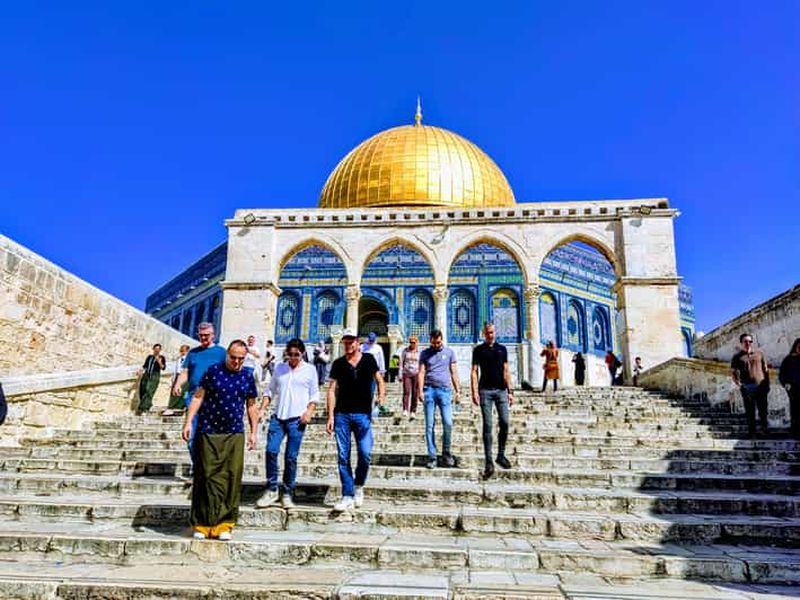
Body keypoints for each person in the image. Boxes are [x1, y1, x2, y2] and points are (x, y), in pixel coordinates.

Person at [181, 340, 259, 541]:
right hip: (208, 430)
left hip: (234, 433)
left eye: (241, 359)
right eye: (233, 357)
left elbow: (251, 405)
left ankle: (224, 524)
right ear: (227, 355)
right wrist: (188, 422)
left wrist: (253, 432)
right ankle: (202, 523)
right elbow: (198, 397)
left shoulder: (247, 376)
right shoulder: (213, 372)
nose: (236, 362)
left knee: (231, 477)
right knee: (205, 475)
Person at [256, 338, 319, 509]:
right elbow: (270, 390)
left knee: (291, 457)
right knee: (271, 450)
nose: (292, 358)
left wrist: (309, 412)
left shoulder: (310, 370)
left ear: (303, 353)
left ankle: (288, 492)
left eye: (296, 355)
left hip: (297, 419)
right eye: (289, 354)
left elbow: (314, 394)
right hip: (278, 418)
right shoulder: (280, 368)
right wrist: (262, 409)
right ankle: (271, 489)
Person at [326, 328, 384, 512]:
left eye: (351, 341)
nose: (348, 344)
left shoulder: (368, 360)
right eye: (346, 341)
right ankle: (347, 494)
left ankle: (359, 485)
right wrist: (330, 415)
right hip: (342, 414)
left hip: (363, 414)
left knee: (365, 454)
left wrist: (381, 397)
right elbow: (331, 390)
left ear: (358, 342)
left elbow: (380, 380)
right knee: (343, 456)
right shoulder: (338, 364)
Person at [173, 323, 227, 459]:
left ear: (213, 335)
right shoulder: (193, 353)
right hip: (193, 397)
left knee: (211, 436)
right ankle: (197, 468)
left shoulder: (221, 353)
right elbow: (186, 371)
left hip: (213, 398)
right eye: (201, 335)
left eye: (207, 335)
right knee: (191, 436)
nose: (204, 338)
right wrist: (178, 384)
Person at [471, 322, 513, 480]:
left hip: (501, 390)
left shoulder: (502, 349)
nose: (491, 335)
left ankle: (501, 455)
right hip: (485, 391)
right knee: (487, 425)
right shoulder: (478, 350)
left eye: (493, 332)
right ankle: (489, 461)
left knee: (505, 422)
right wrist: (474, 391)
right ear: (484, 333)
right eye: (488, 333)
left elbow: (506, 370)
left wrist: (510, 391)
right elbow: (474, 372)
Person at [418, 329, 461, 469]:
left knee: (448, 422)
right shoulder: (425, 353)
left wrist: (458, 391)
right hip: (429, 390)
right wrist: (420, 391)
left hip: (445, 391)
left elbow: (453, 372)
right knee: (429, 425)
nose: (437, 344)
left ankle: (446, 452)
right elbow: (422, 372)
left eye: (439, 342)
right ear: (430, 340)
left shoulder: (449, 353)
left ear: (441, 339)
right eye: (434, 342)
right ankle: (432, 457)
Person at [731, 333, 770, 438]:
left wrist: (767, 384)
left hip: (760, 385)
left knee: (763, 409)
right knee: (750, 411)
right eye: (745, 341)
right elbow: (734, 373)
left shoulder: (759, 353)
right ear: (741, 343)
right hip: (747, 387)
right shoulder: (737, 357)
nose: (748, 343)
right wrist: (739, 385)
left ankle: (764, 430)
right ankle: (752, 432)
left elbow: (765, 370)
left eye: (750, 341)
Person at [137, 344, 167, 414]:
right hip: (147, 374)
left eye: (158, 349)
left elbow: (163, 368)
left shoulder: (162, 357)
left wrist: (159, 361)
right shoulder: (149, 357)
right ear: (153, 349)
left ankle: (143, 408)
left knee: (149, 391)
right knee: (143, 390)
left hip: (155, 375)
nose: (157, 350)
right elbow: (145, 366)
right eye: (155, 349)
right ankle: (148, 405)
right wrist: (140, 371)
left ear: (160, 350)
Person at [779, 338, 800, 439]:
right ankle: (795, 431)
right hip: (793, 389)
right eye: (799, 347)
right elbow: (782, 374)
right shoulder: (788, 359)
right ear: (795, 347)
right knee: (795, 409)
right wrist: (786, 384)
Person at [163, 344, 190, 416]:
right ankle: (171, 407)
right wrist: (174, 377)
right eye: (181, 351)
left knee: (183, 392)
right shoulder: (179, 359)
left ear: (187, 351)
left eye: (184, 351)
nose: (182, 352)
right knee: (174, 392)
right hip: (177, 375)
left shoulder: (190, 359)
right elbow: (176, 369)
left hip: (185, 376)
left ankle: (179, 407)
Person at [400, 336, 420, 419]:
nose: (412, 344)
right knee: (406, 391)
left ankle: (413, 411)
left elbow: (422, 364)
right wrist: (400, 374)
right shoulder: (405, 351)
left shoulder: (420, 352)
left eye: (414, 342)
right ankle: (405, 409)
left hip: (416, 373)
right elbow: (401, 362)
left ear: (417, 343)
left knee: (415, 393)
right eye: (411, 342)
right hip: (406, 373)